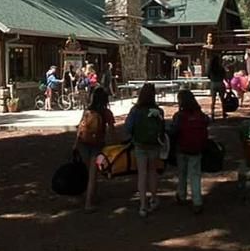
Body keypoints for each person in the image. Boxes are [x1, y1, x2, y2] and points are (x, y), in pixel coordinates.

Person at [124, 83, 165, 216]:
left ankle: (142, 205)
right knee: (153, 172)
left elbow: (128, 127)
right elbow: (162, 127)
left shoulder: (135, 110)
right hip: (154, 144)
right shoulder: (158, 111)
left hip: (140, 144)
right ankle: (153, 198)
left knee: (142, 174)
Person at [73, 87, 115, 212]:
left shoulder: (87, 111)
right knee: (93, 174)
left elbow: (80, 127)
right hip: (97, 144)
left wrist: (75, 144)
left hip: (83, 143)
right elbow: (112, 130)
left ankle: (87, 196)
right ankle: (89, 203)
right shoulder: (106, 113)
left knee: (85, 172)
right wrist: (116, 144)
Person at [169, 89, 210, 214]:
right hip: (197, 149)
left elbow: (173, 131)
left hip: (182, 148)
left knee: (182, 173)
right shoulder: (201, 115)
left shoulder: (179, 116)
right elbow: (207, 122)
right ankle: (197, 201)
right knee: (195, 176)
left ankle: (181, 195)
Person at [206, 54, 228, 121]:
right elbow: (224, 75)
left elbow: (208, 76)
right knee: (222, 99)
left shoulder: (211, 68)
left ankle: (212, 114)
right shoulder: (221, 68)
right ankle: (224, 113)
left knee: (213, 100)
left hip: (213, 83)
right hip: (220, 83)